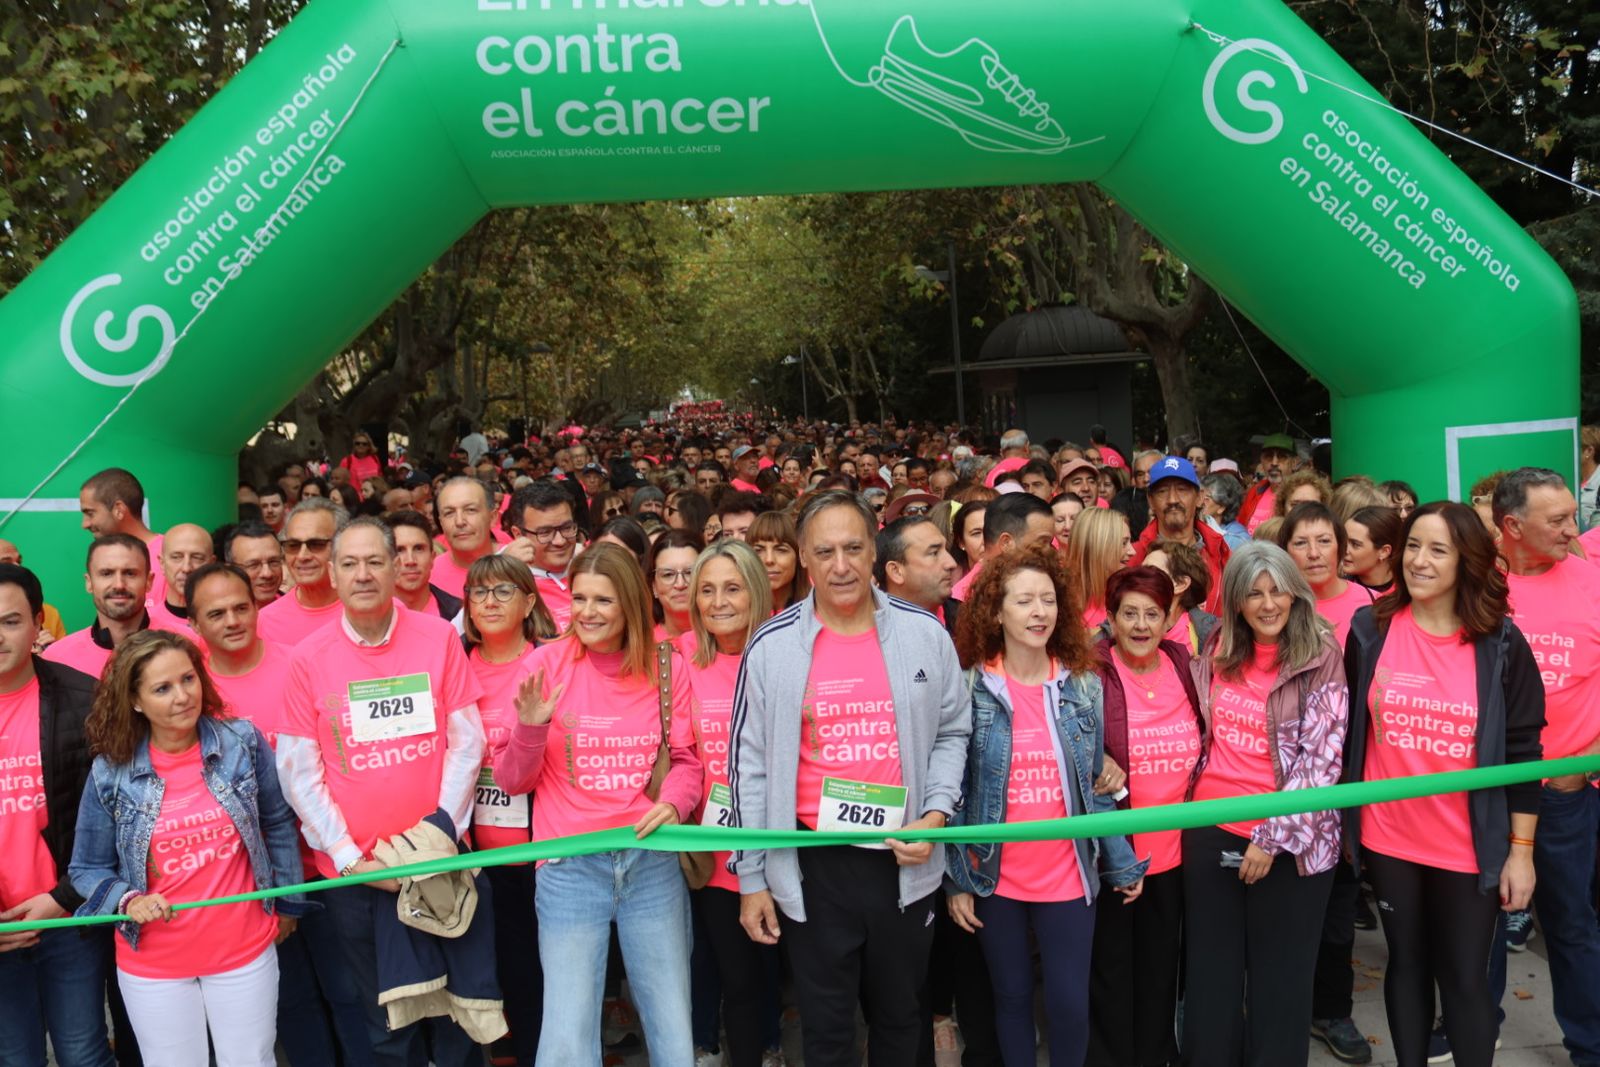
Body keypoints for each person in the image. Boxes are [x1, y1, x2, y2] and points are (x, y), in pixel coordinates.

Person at [731, 489, 971, 1067]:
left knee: (900, 1019)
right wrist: (751, 877)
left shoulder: (925, 634)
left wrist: (936, 815)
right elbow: (750, 766)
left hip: (905, 861)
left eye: (853, 548)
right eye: (825, 551)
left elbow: (953, 732)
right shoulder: (770, 648)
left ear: (873, 554)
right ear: (804, 561)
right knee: (828, 1028)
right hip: (813, 863)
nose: (840, 565)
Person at [276, 516, 501, 1066]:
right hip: (357, 878)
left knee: (458, 1013)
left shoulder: (438, 639)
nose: (363, 575)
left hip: (442, 864)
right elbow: (299, 772)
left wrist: (437, 836)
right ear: (331, 573)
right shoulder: (307, 659)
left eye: (375, 561)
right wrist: (352, 860)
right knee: (385, 1025)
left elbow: (466, 743)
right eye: (349, 563)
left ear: (396, 566)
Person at [1344, 501, 1545, 1067]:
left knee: (1462, 977)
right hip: (1390, 839)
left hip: (1467, 845)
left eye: (1438, 550)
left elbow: (1525, 755)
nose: (1419, 561)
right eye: (1412, 546)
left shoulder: (1501, 644)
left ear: (1467, 561)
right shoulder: (1371, 627)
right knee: (1406, 963)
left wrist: (1521, 854)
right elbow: (1355, 731)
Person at [491, 543, 701, 1067]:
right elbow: (512, 781)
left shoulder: (667, 665)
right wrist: (531, 726)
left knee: (671, 1020)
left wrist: (674, 803)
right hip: (567, 869)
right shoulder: (545, 664)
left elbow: (687, 762)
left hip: (651, 862)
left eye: (602, 600)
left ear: (629, 602)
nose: (586, 612)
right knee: (566, 1029)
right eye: (579, 598)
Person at [943, 544, 1146, 1067]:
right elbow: (954, 791)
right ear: (995, 611)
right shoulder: (970, 688)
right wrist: (958, 882)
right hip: (995, 878)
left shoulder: (1081, 686)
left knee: (1068, 1004)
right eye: (1025, 601)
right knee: (1010, 1000)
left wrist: (1120, 859)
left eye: (1048, 600)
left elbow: (1095, 787)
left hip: (1068, 873)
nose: (1039, 612)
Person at [69, 630, 309, 1067]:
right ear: (136, 701)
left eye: (188, 679)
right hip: (154, 963)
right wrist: (129, 899)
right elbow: (86, 868)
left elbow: (277, 821)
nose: (182, 696)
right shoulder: (111, 770)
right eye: (162, 688)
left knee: (252, 1061)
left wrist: (289, 901)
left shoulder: (242, 742)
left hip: (243, 950)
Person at [186, 562, 374, 1067]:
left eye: (241, 608)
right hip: (251, 883)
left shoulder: (303, 663)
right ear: (194, 624)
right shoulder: (191, 691)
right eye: (216, 613)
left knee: (351, 992)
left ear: (259, 607)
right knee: (289, 1005)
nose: (232, 621)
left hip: (330, 865)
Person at [1185, 541, 1349, 1066]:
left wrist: (1269, 837)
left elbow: (1321, 762)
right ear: (1235, 602)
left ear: (1296, 594)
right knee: (1211, 975)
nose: (1268, 603)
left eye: (1278, 589)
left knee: (1281, 981)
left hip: (1290, 846)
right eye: (1254, 594)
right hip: (1209, 830)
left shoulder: (1322, 657)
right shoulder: (1216, 650)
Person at [1490, 469, 1600, 1063]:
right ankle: (1472, 1029)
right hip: (1482, 791)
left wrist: (1588, 763)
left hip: (1561, 795)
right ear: (1512, 526)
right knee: (1476, 928)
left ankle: (1591, 1046)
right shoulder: (1476, 584)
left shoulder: (1593, 583)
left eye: (1570, 515)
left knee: (1572, 926)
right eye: (1556, 520)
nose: (1573, 528)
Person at [0, 563, 116, 1067]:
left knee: (84, 1054)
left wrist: (65, 897)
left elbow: (116, 817)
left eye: (10, 621)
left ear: (37, 623)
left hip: (69, 916)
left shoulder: (84, 699)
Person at [1088, 566, 1203, 1067]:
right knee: (1112, 967)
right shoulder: (1091, 672)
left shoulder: (1182, 662)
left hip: (1176, 850)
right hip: (1118, 851)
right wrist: (1098, 759)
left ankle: (1157, 1053)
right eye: (1128, 613)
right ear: (1109, 618)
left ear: (1169, 617)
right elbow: (1067, 738)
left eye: (1151, 614)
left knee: (1162, 965)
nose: (1139, 625)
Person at [678, 540, 782, 1067]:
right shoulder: (680, 659)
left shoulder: (787, 652)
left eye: (732, 588)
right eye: (706, 590)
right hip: (719, 853)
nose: (718, 602)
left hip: (793, 843)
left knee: (798, 979)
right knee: (737, 981)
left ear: (756, 591)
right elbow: (682, 758)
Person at [464, 554, 557, 1067]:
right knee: (490, 966)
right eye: (480, 593)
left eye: (504, 592)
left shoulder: (551, 661)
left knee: (537, 972)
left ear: (529, 602)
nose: (491, 602)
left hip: (543, 847)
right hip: (474, 852)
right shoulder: (454, 661)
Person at [45, 535, 186, 679]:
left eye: (130, 573)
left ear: (149, 581)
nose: (119, 584)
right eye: (106, 574)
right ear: (89, 583)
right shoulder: (57, 659)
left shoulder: (186, 644)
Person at [1131, 455, 1229, 615]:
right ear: (1150, 501)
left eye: (1182, 490)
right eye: (1162, 491)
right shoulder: (1133, 556)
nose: (1172, 499)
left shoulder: (1222, 554)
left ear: (1199, 498)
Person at [1278, 502, 1375, 645]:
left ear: (1340, 546)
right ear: (1285, 551)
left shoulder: (1374, 603)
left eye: (1324, 541)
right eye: (1300, 543)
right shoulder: (1276, 608)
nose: (1313, 553)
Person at [257, 497, 346, 647]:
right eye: (293, 545)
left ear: (343, 546)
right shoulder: (265, 621)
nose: (302, 556)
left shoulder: (368, 609)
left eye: (316, 544)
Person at [78, 468, 165, 604]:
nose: (85, 524)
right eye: (107, 574)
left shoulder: (173, 558)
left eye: (90, 513)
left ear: (118, 509)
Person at [506, 480, 582, 630]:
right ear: (518, 534)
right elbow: (453, 635)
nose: (559, 541)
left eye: (567, 528)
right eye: (545, 533)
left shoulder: (594, 568)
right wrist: (501, 572)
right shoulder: (505, 584)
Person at [1061, 507, 1133, 633]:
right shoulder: (1058, 601)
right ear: (1099, 546)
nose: (1133, 551)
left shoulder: (1129, 596)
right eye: (1123, 543)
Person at [386, 509, 463, 623]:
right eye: (399, 550)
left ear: (432, 558)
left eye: (419, 549)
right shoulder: (366, 616)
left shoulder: (460, 616)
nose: (410, 560)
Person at [874, 515, 957, 619]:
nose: (951, 563)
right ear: (896, 571)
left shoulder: (966, 620)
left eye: (947, 550)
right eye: (934, 553)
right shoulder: (874, 631)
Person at [431, 477, 501, 600]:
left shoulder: (519, 563)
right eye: (449, 513)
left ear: (493, 517)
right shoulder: (429, 574)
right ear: (441, 522)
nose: (459, 521)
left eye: (470, 510)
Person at [146, 524, 212, 637]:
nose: (186, 568)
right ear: (162, 563)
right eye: (177, 557)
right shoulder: (146, 622)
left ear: (211, 563)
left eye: (197, 557)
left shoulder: (226, 620)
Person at [649, 530, 703, 640]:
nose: (680, 584)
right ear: (654, 586)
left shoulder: (723, 639)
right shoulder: (643, 646)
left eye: (689, 572)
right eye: (668, 574)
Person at [1238, 433, 1296, 534]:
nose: (1274, 462)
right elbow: (1240, 528)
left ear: (1294, 463)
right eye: (1268, 457)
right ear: (1262, 461)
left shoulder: (1301, 495)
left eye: (1281, 457)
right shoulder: (1255, 492)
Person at [748, 510, 803, 612]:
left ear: (800, 556)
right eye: (759, 550)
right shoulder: (739, 613)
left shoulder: (818, 612)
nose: (769, 560)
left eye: (781, 550)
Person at [222, 521, 284, 608]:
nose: (267, 573)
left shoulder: (297, 611)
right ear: (231, 570)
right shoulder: (218, 617)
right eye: (253, 565)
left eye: (273, 562)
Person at [1344, 505, 1401, 593]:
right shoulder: (1336, 589)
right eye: (1343, 540)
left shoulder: (1409, 593)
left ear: (1384, 551)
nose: (1344, 550)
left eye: (1355, 544)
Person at [1200, 472, 1251, 550]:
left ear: (1221, 507)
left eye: (1206, 498)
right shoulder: (1196, 530)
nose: (1200, 502)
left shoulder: (1236, 541)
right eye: (1199, 496)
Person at [339, 434, 383, 499]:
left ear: (369, 446)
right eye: (357, 443)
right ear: (354, 446)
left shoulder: (374, 459)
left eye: (364, 444)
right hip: (355, 499)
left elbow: (380, 478)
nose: (360, 445)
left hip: (374, 499)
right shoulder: (347, 461)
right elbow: (340, 481)